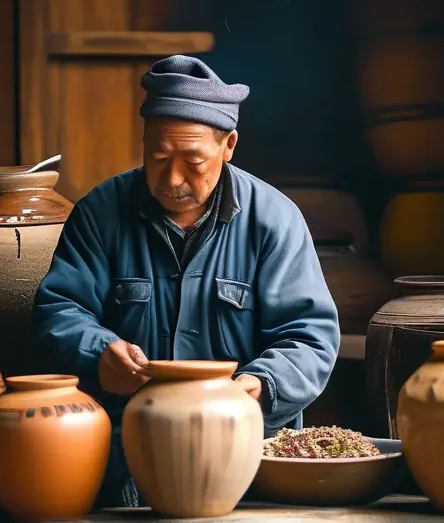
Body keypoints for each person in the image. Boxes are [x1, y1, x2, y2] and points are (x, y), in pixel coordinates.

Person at [33, 55, 341, 507]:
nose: (172, 178)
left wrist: (256, 386)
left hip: (247, 462)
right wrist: (99, 354)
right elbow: (57, 310)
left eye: (193, 161)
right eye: (158, 157)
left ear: (229, 144)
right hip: (124, 461)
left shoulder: (274, 221)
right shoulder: (101, 213)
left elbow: (312, 337)